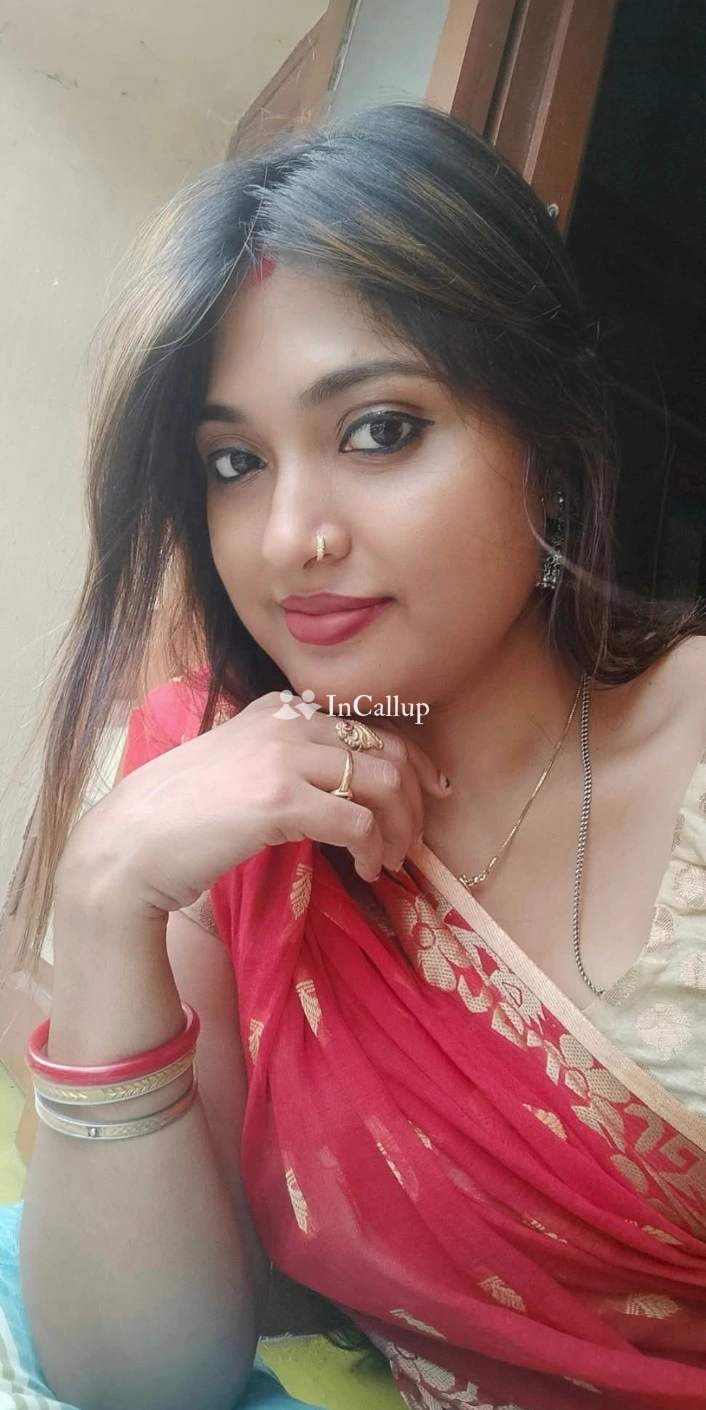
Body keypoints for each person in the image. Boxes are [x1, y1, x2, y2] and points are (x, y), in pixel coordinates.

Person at [4, 99, 706, 1410]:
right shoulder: (219, 791)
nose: (287, 538)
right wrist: (105, 895)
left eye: (380, 429)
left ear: (551, 451)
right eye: (233, 461)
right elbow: (141, 1380)